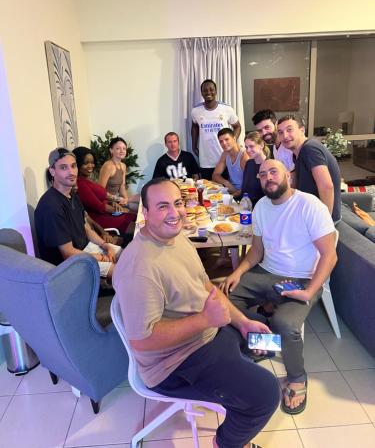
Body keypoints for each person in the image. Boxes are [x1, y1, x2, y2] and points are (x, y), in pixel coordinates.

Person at [113, 178, 280, 448]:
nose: (174, 213)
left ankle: (236, 381)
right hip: (174, 364)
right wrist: (206, 319)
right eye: (163, 206)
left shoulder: (176, 237)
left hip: (206, 336)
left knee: (262, 331)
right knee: (266, 394)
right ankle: (225, 444)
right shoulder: (139, 268)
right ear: (145, 213)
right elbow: (141, 341)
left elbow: (204, 286)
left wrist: (244, 322)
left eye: (177, 203)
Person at [221, 160, 337, 415]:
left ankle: (296, 377)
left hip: (303, 278)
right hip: (266, 272)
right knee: (222, 299)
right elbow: (257, 251)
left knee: (286, 324)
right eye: (263, 175)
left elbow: (330, 256)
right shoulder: (262, 206)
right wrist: (237, 272)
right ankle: (261, 339)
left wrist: (308, 291)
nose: (268, 177)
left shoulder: (309, 205)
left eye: (274, 172)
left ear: (288, 175)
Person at [35, 148, 121, 280]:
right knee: (125, 273)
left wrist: (105, 245)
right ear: (52, 171)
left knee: (129, 256)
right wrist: (103, 258)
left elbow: (85, 228)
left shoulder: (72, 195)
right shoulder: (50, 206)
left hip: (86, 249)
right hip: (70, 266)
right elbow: (68, 254)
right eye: (63, 167)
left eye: (73, 166)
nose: (71, 172)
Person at [276, 115, 342, 223]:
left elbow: (326, 186)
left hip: (320, 220)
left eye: (289, 130)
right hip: (309, 214)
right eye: (280, 132)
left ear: (302, 130)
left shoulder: (310, 149)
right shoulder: (297, 154)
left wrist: (325, 223)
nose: (285, 136)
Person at [73, 146, 136, 234]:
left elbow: (101, 199)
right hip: (101, 219)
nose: (90, 166)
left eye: (92, 162)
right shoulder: (80, 183)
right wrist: (121, 209)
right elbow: (99, 206)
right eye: (86, 163)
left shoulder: (88, 180)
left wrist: (112, 203)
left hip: (108, 212)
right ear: (78, 164)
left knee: (138, 218)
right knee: (139, 225)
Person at [191, 79, 241, 180]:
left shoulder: (227, 109)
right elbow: (194, 127)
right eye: (205, 90)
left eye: (211, 89)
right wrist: (194, 145)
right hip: (206, 159)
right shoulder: (196, 111)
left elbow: (237, 126)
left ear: (216, 91)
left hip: (224, 157)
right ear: (201, 93)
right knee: (208, 190)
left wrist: (232, 143)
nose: (208, 92)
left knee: (226, 191)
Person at [98, 136, 140, 212]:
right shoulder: (108, 166)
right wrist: (117, 199)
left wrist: (126, 200)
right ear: (111, 150)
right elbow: (100, 191)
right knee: (136, 208)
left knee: (141, 200)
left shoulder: (123, 166)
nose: (122, 151)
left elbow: (122, 187)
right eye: (118, 148)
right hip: (107, 201)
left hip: (117, 199)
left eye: (124, 149)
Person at [212, 128, 248, 197]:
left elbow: (249, 184)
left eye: (226, 139)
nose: (224, 143)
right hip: (230, 191)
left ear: (234, 139)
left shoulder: (244, 156)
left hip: (243, 195)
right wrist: (227, 183)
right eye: (221, 141)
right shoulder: (225, 154)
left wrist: (233, 195)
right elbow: (215, 175)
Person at [241, 131, 270, 206]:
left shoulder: (269, 165)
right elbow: (244, 190)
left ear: (261, 145)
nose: (248, 150)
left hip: (262, 209)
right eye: (246, 147)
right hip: (246, 207)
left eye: (251, 146)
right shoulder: (249, 163)